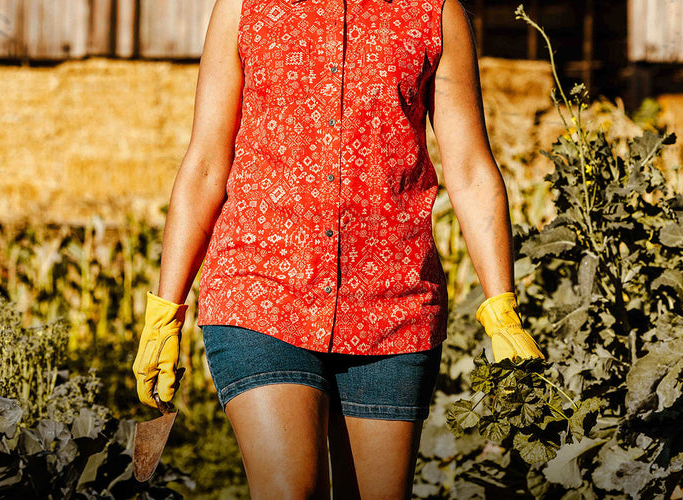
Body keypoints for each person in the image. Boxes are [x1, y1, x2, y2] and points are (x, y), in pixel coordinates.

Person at [128, 0, 549, 498]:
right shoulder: (245, 8)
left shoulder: (435, 13)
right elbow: (204, 164)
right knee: (291, 492)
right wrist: (165, 310)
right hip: (261, 292)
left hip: (394, 307)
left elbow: (471, 169)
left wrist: (502, 307)